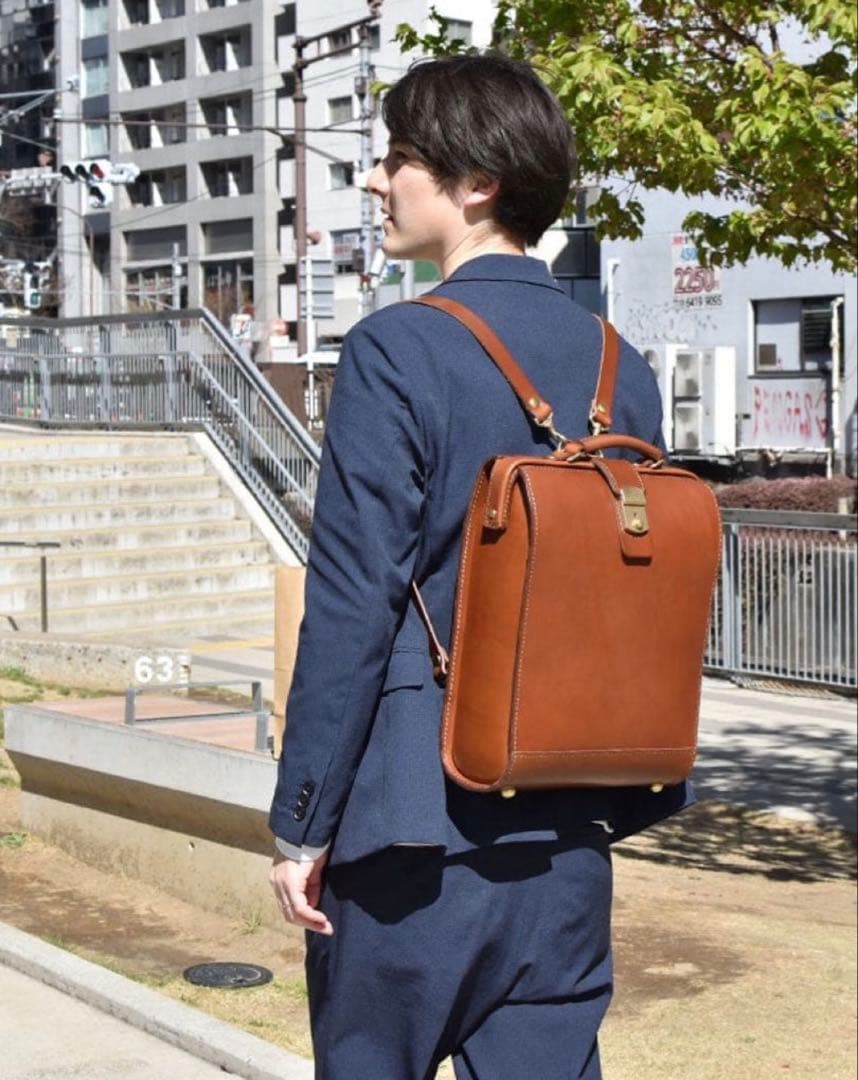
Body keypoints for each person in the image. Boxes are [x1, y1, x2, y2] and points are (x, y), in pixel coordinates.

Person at [269, 52, 692, 1079]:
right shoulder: (621, 365)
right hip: (570, 833)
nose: (377, 179)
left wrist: (301, 827)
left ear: (477, 182)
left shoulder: (395, 350)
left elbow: (355, 602)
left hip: (412, 839)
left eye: (399, 158)